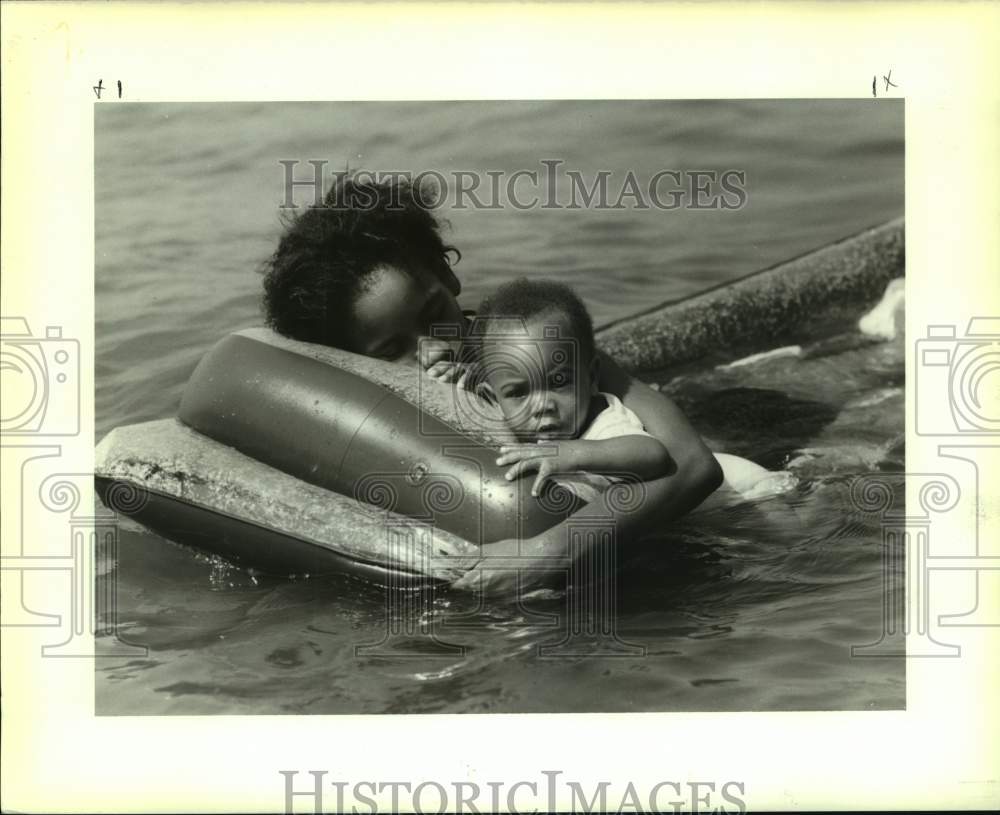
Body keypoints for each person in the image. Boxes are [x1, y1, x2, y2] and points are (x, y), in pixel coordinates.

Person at [262, 173, 723, 592]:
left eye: (434, 315)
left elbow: (694, 463)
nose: (434, 350)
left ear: (448, 275)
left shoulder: (533, 353)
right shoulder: (367, 417)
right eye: (390, 351)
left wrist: (549, 551)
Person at [466, 278, 784, 512]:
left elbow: (652, 454)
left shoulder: (604, 420)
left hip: (750, 493)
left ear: (591, 378)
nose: (543, 405)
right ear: (492, 400)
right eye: (518, 393)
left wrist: (569, 454)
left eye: (559, 382)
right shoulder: (510, 424)